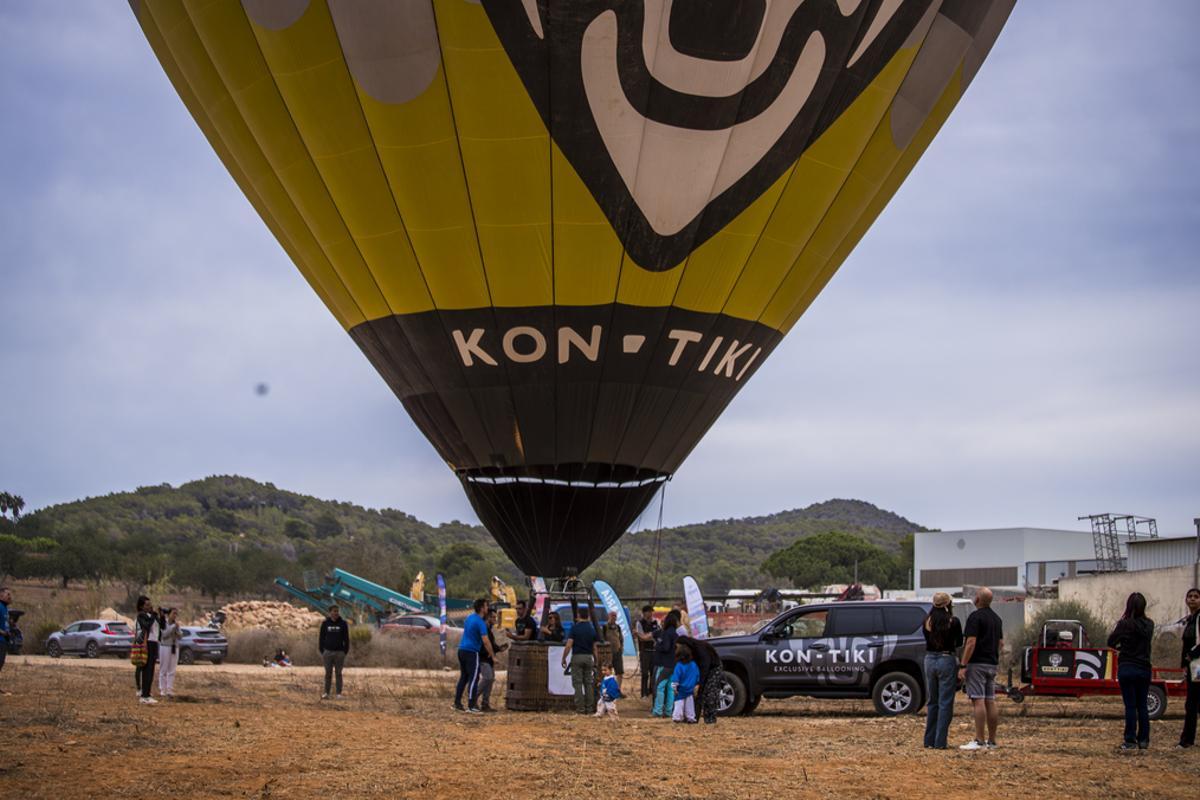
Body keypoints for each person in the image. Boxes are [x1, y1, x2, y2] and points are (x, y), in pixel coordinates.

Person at [1109, 592, 1155, 750]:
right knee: (1142, 705)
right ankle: (1144, 740)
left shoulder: (1124, 624)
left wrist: (1121, 647)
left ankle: (1130, 740)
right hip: (1144, 667)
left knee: (1130, 706)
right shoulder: (1149, 625)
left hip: (1127, 666)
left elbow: (1111, 642)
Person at [958, 587, 1002, 750]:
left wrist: (963, 664)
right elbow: (1001, 643)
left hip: (977, 664)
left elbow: (970, 642)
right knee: (990, 699)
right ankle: (992, 741)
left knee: (978, 700)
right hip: (992, 663)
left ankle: (979, 740)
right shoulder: (997, 619)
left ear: (977, 599)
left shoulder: (975, 617)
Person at [922, 592, 963, 749]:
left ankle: (929, 740)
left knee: (932, 701)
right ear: (948, 604)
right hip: (946, 659)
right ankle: (940, 742)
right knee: (945, 702)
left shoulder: (927, 621)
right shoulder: (953, 621)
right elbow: (959, 642)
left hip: (929, 659)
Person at [454, 598, 494, 713]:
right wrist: (492, 655)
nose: (487, 608)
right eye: (486, 606)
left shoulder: (469, 618)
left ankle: (457, 703)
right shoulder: (480, 622)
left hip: (461, 650)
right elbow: (485, 641)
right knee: (474, 678)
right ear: (482, 608)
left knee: (464, 677)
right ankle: (472, 706)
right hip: (472, 652)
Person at [677, 635, 723, 724]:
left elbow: (704, 668)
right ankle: (693, 718)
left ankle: (710, 720)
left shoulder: (701, 649)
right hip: (700, 670)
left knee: (709, 694)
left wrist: (699, 684)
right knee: (696, 695)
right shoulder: (687, 652)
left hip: (713, 669)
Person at [561, 607, 598, 715]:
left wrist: (564, 657)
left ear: (578, 615)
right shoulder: (592, 629)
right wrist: (596, 660)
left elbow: (569, 645)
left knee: (577, 684)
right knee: (588, 683)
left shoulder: (575, 628)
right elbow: (595, 648)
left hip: (577, 656)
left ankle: (580, 708)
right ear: (588, 616)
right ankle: (589, 708)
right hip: (588, 657)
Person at [1179, 587, 1200, 748]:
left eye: (1196, 596)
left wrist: (1191, 655)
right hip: (1192, 666)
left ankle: (1186, 740)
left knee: (1192, 703)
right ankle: (1187, 739)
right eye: (1190, 596)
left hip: (1198, 665)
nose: (1192, 599)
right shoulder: (1190, 619)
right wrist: (1184, 665)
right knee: (1192, 702)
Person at [651, 610, 681, 717]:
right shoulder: (676, 634)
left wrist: (657, 645)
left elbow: (666, 647)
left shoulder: (666, 633)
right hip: (673, 665)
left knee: (659, 687)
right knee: (670, 689)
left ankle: (658, 711)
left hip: (664, 664)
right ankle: (669, 711)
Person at [478, 608, 508, 712]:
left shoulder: (489, 629)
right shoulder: (484, 629)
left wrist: (499, 648)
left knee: (490, 680)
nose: (495, 619)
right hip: (483, 657)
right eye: (493, 617)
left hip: (488, 658)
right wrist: (492, 654)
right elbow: (485, 644)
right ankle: (472, 697)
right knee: (487, 678)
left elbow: (491, 644)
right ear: (488, 618)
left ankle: (485, 704)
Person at [318, 604, 350, 700]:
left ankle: (338, 694)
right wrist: (322, 651)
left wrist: (344, 651)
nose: (336, 613)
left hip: (339, 653)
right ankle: (326, 693)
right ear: (330, 612)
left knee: (338, 673)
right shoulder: (325, 623)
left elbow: (346, 639)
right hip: (327, 652)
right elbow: (321, 638)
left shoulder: (343, 623)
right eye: (334, 611)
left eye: (337, 611)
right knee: (328, 673)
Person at [134, 596, 160, 705]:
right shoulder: (141, 616)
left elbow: (160, 626)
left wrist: (158, 615)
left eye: (150, 604)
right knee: (147, 670)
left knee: (151, 669)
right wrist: (153, 616)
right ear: (141, 606)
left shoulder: (152, 615)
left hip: (154, 642)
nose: (150, 606)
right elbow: (147, 626)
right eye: (147, 605)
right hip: (147, 643)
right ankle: (144, 695)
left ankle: (148, 693)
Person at [670, 641, 700, 723]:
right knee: (690, 704)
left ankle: (677, 717)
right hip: (690, 688)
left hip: (681, 689)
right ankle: (690, 717)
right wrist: (697, 684)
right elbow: (697, 675)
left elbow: (676, 677)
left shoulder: (679, 665)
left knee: (679, 704)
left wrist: (674, 688)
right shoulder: (694, 664)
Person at [635, 605, 660, 697]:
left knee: (654, 673)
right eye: (649, 611)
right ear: (644, 613)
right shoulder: (640, 623)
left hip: (654, 651)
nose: (651, 613)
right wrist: (651, 637)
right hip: (644, 651)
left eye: (651, 611)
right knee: (645, 673)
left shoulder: (656, 622)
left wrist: (647, 636)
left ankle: (652, 691)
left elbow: (658, 635)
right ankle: (644, 693)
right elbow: (641, 637)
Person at [158, 608, 182, 698]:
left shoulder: (176, 624)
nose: (175, 615)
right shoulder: (163, 623)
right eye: (173, 613)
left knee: (172, 669)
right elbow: (164, 635)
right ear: (169, 614)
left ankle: (169, 689)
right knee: (163, 668)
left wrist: (177, 629)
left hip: (174, 647)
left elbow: (180, 636)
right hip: (165, 646)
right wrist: (172, 628)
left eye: (176, 614)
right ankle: (162, 689)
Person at [603, 611, 625, 687]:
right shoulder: (604, 627)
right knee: (607, 672)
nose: (614, 617)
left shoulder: (618, 627)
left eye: (615, 616)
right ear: (608, 616)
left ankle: (618, 689)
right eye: (612, 615)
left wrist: (621, 648)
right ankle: (608, 688)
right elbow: (601, 640)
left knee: (620, 672)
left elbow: (621, 639)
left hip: (617, 652)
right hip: (608, 653)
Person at [0, 586, 11, 676]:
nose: (10, 597)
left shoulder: (5, 608)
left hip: (4, 640)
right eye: (8, 594)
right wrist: (3, 632)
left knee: (1, 662)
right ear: (1, 595)